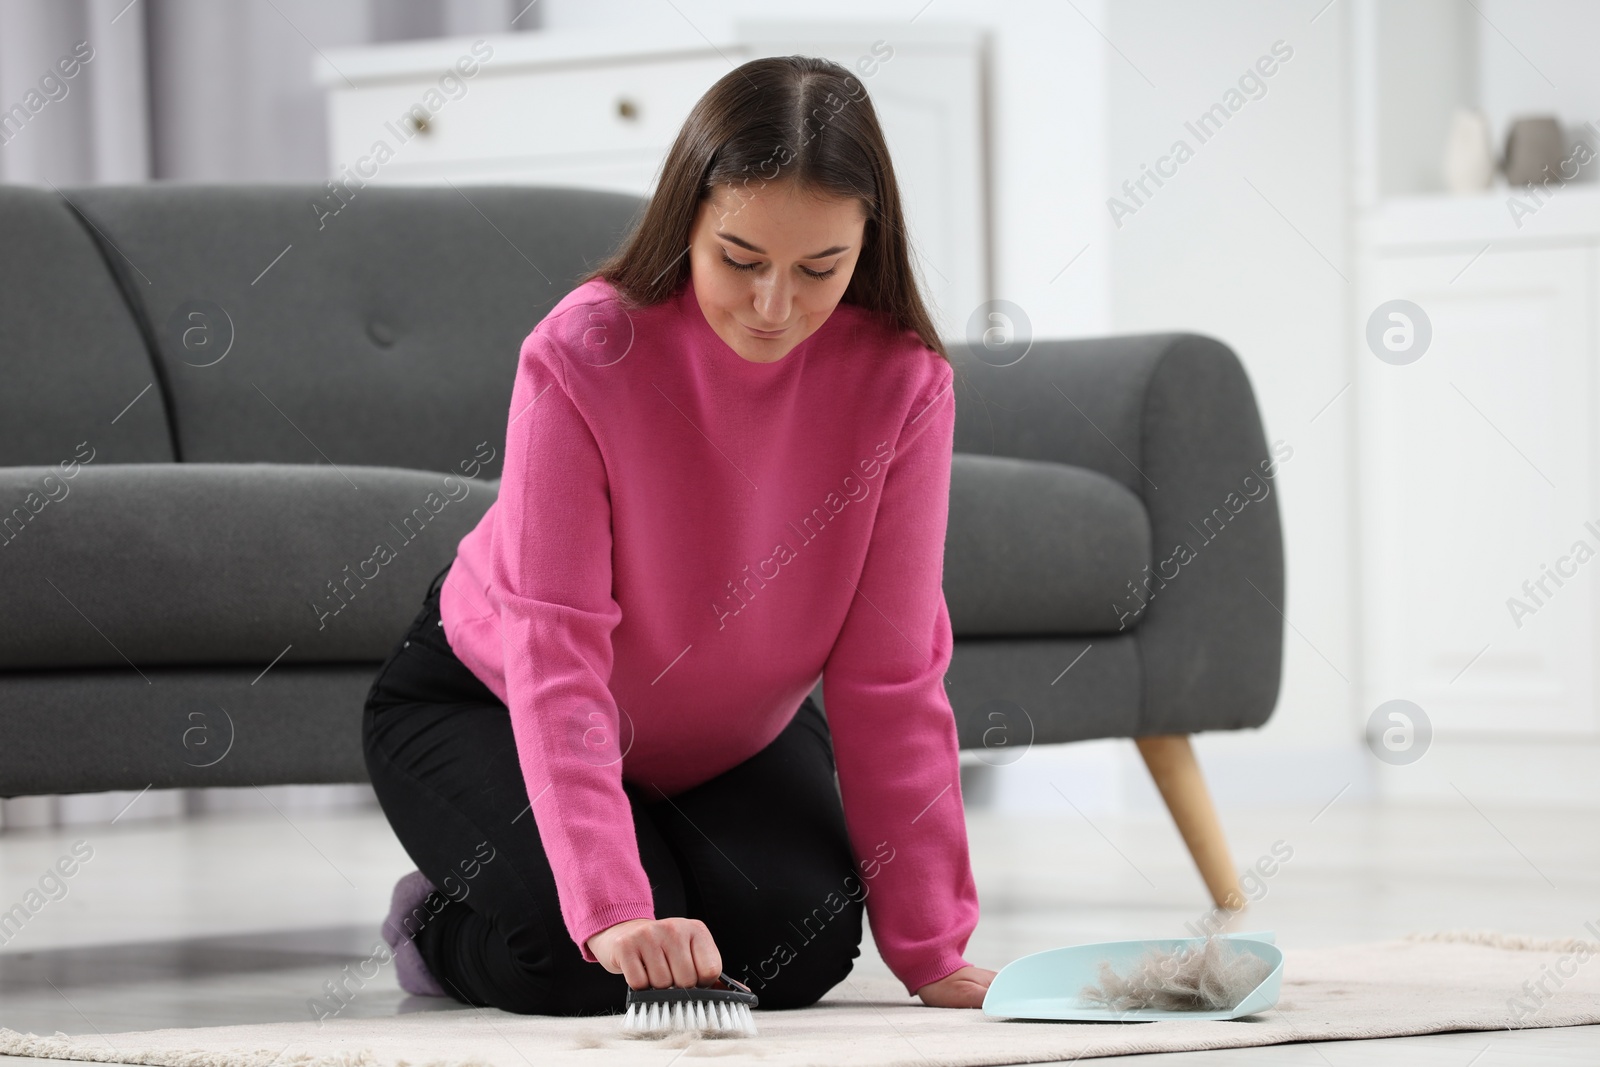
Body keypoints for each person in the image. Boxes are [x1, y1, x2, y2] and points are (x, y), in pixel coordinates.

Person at [361, 53, 995, 1017]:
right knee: (590, 961)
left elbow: (891, 677)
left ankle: (645, 856)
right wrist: (612, 901)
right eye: (740, 260)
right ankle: (434, 928)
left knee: (799, 949)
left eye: (820, 268)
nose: (775, 306)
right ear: (685, 220)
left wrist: (933, 950)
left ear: (867, 246)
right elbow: (555, 648)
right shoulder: (583, 352)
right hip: (488, 695)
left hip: (725, 740)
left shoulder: (904, 386)